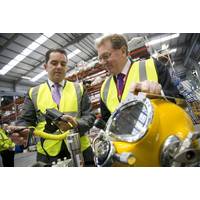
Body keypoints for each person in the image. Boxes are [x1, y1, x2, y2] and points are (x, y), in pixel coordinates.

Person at [9, 48, 96, 166]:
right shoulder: (33, 92)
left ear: (66, 67)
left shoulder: (79, 89)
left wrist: (76, 124)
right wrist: (21, 131)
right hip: (47, 153)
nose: (59, 66)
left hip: (80, 149)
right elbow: (25, 120)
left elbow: (89, 116)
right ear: (45, 67)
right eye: (54, 63)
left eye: (63, 64)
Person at [95, 34, 182, 122]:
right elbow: (107, 120)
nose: (102, 62)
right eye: (100, 58)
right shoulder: (105, 87)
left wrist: (161, 94)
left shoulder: (152, 66)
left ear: (123, 51)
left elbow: (179, 100)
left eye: (106, 56)